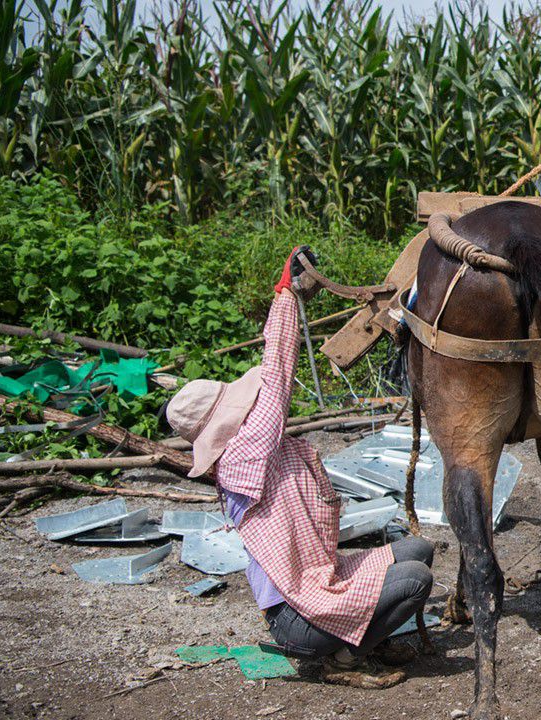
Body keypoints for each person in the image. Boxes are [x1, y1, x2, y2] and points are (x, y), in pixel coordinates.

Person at [165, 247, 433, 688]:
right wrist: (288, 297)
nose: (255, 409)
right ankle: (344, 659)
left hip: (315, 584)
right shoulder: (243, 459)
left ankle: (366, 638)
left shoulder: (256, 452)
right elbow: (278, 373)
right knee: (414, 580)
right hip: (298, 615)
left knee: (416, 551)